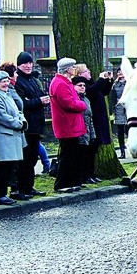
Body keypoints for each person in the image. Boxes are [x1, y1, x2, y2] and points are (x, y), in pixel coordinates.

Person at [49, 57, 87, 193]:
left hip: (71, 125)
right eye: (73, 67)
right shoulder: (60, 83)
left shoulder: (64, 82)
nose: (75, 69)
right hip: (67, 125)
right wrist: (82, 105)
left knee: (73, 155)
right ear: (67, 69)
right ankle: (61, 184)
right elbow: (69, 103)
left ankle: (71, 181)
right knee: (67, 156)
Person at [0, 71, 27, 205]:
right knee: (1, 166)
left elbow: (18, 111)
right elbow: (2, 116)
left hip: (11, 135)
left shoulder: (6, 94)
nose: (6, 84)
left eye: (7, 81)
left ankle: (3, 193)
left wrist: (22, 121)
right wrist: (18, 124)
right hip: (2, 136)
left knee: (8, 166)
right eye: (2, 81)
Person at [14, 52, 49, 193]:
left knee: (33, 158)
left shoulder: (33, 80)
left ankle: (29, 186)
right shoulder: (19, 82)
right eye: (25, 63)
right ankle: (22, 187)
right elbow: (22, 103)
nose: (28, 66)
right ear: (19, 65)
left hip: (37, 125)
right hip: (27, 126)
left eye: (30, 63)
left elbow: (40, 95)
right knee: (26, 158)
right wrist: (39, 102)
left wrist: (38, 100)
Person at [74, 63, 113, 182]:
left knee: (94, 149)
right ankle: (86, 175)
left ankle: (91, 173)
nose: (89, 72)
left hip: (99, 118)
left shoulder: (91, 83)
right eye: (86, 71)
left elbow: (102, 92)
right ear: (80, 74)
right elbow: (92, 91)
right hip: (92, 120)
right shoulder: (82, 85)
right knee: (89, 149)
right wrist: (101, 79)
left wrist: (108, 81)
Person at [72, 76, 95, 187]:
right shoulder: (74, 99)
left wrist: (92, 134)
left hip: (86, 133)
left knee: (84, 157)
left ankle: (82, 179)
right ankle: (76, 180)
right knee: (76, 158)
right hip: (77, 133)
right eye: (79, 85)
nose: (82, 87)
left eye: (84, 85)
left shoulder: (86, 100)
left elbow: (90, 118)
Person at [110, 67, 127, 159]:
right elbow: (112, 98)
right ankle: (122, 152)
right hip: (119, 109)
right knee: (120, 132)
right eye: (118, 71)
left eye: (122, 71)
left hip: (129, 109)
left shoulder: (129, 82)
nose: (120, 73)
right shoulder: (115, 85)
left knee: (129, 130)